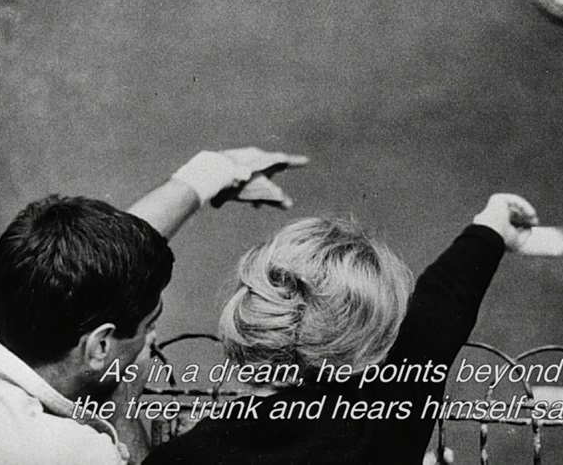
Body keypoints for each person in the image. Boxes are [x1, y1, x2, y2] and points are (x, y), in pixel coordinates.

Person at [0, 147, 308, 465]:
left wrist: (213, 171)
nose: (151, 339)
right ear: (100, 345)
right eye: (149, 326)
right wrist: (123, 409)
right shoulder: (70, 455)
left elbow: (96, 260)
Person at [144, 193, 538, 465]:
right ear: (364, 343)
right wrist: (490, 228)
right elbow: (439, 311)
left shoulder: (180, 457)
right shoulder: (383, 419)